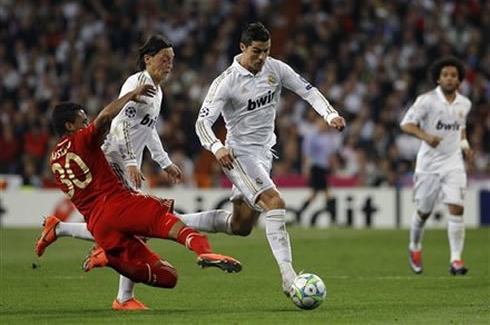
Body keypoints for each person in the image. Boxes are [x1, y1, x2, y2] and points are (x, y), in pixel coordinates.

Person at [36, 35, 233, 310]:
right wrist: (129, 161)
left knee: (132, 226)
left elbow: (148, 127)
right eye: (164, 59)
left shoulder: (157, 90)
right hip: (115, 154)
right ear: (147, 59)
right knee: (136, 221)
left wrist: (163, 161)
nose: (169, 65)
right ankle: (117, 286)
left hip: (128, 158)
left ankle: (113, 284)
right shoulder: (136, 83)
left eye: (172, 60)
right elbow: (122, 125)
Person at [188, 22, 346, 295]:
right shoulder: (226, 82)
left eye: (267, 51)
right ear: (242, 48)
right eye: (257, 52)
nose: (262, 58)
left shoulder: (276, 68)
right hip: (238, 155)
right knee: (275, 202)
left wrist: (329, 114)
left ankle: (171, 220)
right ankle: (288, 278)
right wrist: (216, 147)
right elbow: (202, 123)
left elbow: (307, 89)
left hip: (264, 154)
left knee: (241, 226)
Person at [400, 56, 472, 275]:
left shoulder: (464, 103)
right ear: (438, 79)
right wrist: (425, 136)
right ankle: (414, 246)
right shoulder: (426, 101)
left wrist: (465, 144)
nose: (449, 79)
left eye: (453, 75)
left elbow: (460, 128)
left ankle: (456, 260)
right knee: (423, 212)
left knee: (457, 208)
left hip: (453, 163)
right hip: (428, 165)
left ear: (459, 81)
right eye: (445, 75)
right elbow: (406, 124)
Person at [298, 115, 342, 224]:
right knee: (327, 194)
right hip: (316, 168)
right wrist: (306, 168)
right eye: (321, 123)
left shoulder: (328, 137)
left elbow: (330, 155)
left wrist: (334, 168)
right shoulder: (312, 136)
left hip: (323, 168)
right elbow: (307, 154)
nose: (323, 125)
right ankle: (333, 219)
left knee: (315, 195)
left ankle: (299, 214)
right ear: (317, 123)